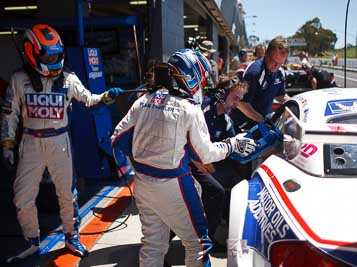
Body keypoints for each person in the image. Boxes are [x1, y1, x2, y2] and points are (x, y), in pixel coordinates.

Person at [111, 49, 257, 267]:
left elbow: (117, 140)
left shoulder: (143, 101)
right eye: (203, 79)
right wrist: (233, 144)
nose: (204, 85)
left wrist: (146, 157)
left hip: (142, 181)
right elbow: (205, 154)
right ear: (192, 76)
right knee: (198, 245)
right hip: (173, 183)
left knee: (153, 245)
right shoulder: (190, 109)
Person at [1, 24, 121, 263]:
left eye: (56, 54)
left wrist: (106, 97)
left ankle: (71, 236)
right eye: (47, 55)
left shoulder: (69, 78)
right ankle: (31, 240)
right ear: (31, 51)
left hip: (60, 143)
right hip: (31, 144)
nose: (52, 59)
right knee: (22, 198)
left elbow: (89, 99)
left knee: (67, 195)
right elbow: (8, 114)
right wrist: (7, 144)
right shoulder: (19, 79)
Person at [192, 72, 248, 242]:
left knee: (239, 181)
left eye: (240, 99)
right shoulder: (201, 111)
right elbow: (183, 138)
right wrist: (196, 161)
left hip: (209, 163)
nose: (237, 103)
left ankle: (225, 225)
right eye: (235, 97)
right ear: (223, 93)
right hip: (190, 163)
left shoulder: (226, 119)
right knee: (216, 191)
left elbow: (232, 145)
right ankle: (206, 237)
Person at [231, 37, 290, 129]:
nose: (276, 66)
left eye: (280, 63)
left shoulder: (279, 73)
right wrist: (263, 121)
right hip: (244, 125)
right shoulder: (254, 73)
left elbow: (280, 96)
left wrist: (293, 102)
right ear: (266, 54)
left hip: (262, 123)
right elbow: (241, 104)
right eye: (274, 61)